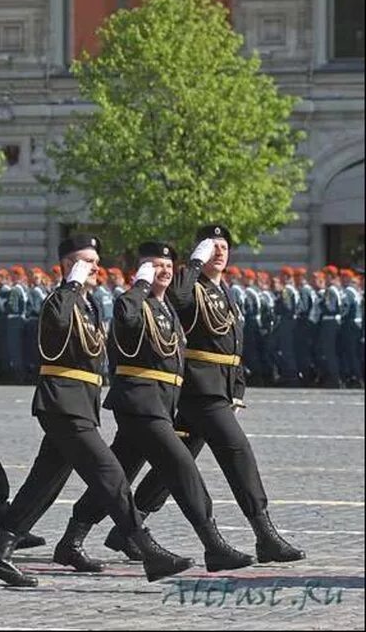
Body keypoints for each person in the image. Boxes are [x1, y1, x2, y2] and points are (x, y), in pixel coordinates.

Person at [0, 234, 194, 588]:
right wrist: (71, 282)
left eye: (95, 261)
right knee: (110, 474)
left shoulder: (88, 303)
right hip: (63, 405)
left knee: (43, 483)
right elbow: (58, 322)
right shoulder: (60, 299)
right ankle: (147, 549)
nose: (96, 267)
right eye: (86, 261)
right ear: (67, 266)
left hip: (80, 404)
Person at [51, 241, 253, 574]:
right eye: (155, 265)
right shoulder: (133, 302)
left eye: (168, 267)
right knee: (181, 466)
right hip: (139, 404)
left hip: (160, 404)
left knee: (116, 475)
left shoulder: (167, 307)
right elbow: (126, 317)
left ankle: (72, 539)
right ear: (142, 270)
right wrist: (141, 284)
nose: (164, 272)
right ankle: (213, 544)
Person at [107, 226, 305, 566]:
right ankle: (264, 534)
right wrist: (194, 263)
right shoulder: (189, 285)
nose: (219, 252)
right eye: (211, 247)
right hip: (197, 390)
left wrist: (237, 388)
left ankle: (122, 530)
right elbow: (179, 299)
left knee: (176, 464)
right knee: (236, 451)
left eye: (224, 246)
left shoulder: (223, 290)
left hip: (216, 387)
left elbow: (233, 344)